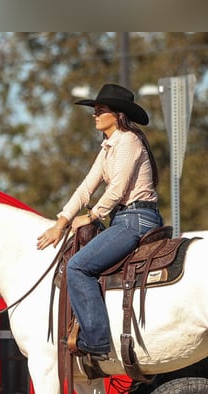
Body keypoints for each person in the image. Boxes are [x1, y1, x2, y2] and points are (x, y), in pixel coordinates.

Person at [37, 83, 163, 360]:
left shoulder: (128, 140)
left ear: (117, 114)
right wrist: (61, 222)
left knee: (78, 267)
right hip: (124, 218)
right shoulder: (108, 147)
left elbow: (117, 188)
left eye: (101, 110)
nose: (95, 115)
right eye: (94, 110)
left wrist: (92, 216)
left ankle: (95, 341)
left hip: (136, 219)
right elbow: (85, 188)